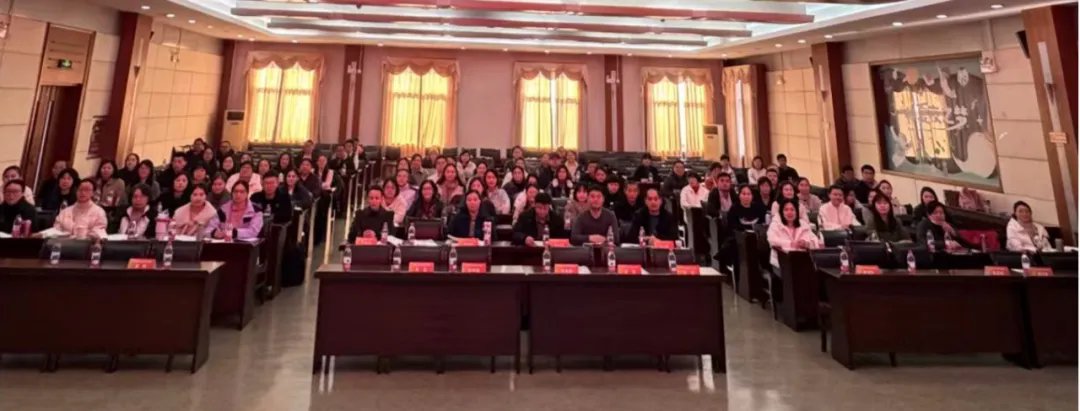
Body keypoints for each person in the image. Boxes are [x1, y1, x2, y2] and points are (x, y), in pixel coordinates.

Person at [767, 199, 820, 267]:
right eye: (786, 210)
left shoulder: (803, 224)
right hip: (781, 262)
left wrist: (806, 244)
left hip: (802, 261)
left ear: (796, 212)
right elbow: (772, 241)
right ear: (781, 212)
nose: (789, 212)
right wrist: (791, 244)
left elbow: (815, 242)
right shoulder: (775, 225)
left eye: (792, 210)